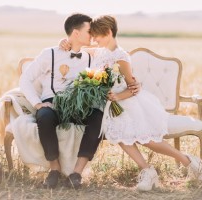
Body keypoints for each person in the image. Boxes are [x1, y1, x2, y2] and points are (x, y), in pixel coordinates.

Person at [62, 15, 202, 192]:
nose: (94, 39)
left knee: (148, 141)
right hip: (111, 107)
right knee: (122, 136)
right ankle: (147, 171)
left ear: (108, 32)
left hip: (127, 103)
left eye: (97, 35)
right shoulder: (100, 50)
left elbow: (132, 88)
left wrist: (117, 96)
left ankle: (188, 161)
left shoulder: (121, 56)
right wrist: (64, 42)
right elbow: (81, 47)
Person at [19, 13, 140, 190]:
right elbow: (25, 79)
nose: (93, 35)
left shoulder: (92, 56)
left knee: (98, 116)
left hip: (78, 105)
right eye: (89, 31)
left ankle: (76, 173)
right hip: (53, 103)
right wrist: (37, 104)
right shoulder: (49, 54)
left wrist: (133, 83)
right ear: (76, 33)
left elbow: (114, 55)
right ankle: (54, 170)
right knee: (44, 116)